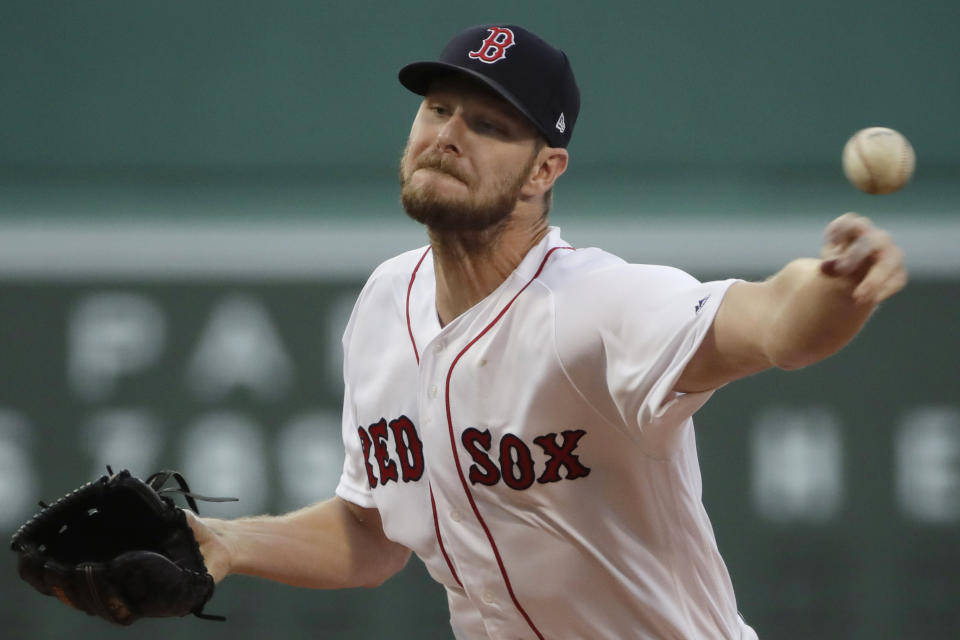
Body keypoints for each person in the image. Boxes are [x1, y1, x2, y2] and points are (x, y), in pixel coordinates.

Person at [187, 24, 907, 639]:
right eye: (438, 108)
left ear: (544, 171)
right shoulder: (382, 304)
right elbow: (371, 535)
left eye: (489, 125)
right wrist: (225, 541)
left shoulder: (595, 306)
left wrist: (837, 286)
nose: (448, 135)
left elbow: (772, 322)